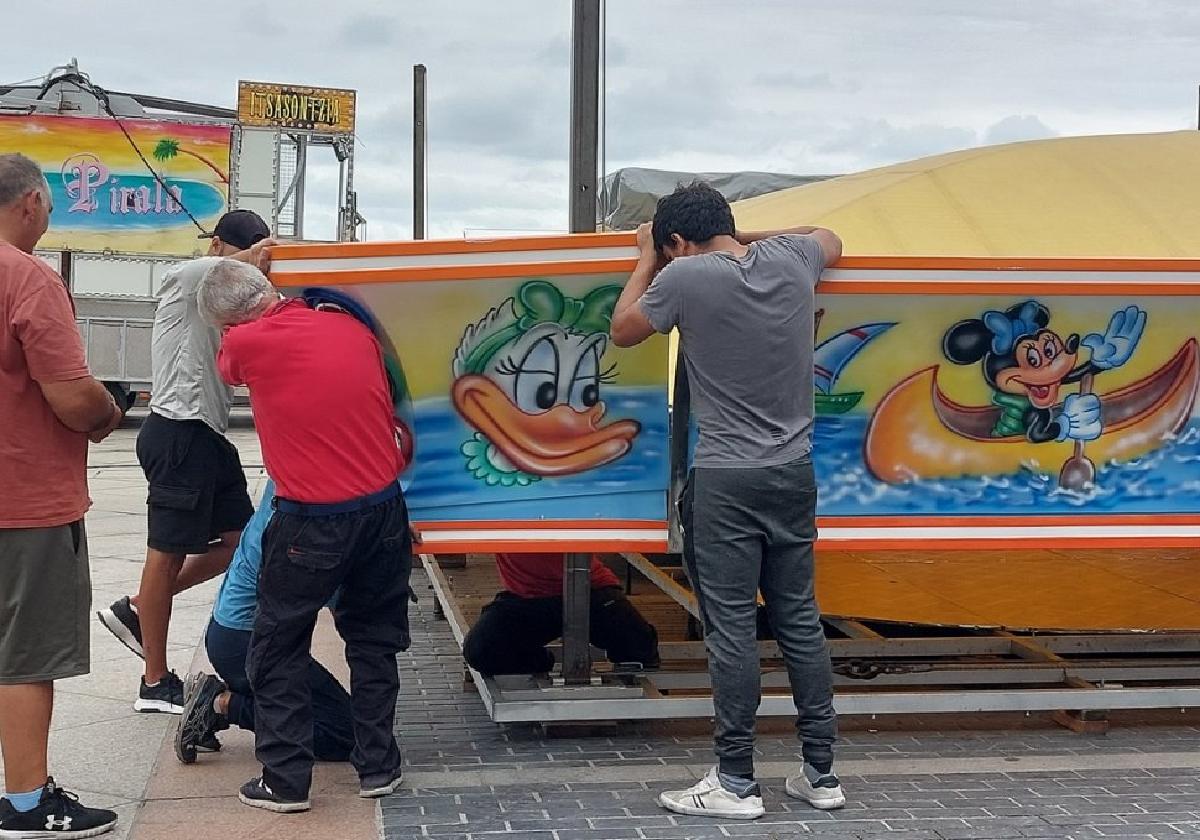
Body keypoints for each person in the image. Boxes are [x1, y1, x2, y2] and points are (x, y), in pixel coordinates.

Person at [610, 182, 845, 820]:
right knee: (799, 619)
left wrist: (644, 260)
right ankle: (821, 774)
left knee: (733, 628)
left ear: (678, 245)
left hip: (726, 482)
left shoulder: (686, 280)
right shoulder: (794, 261)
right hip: (794, 474)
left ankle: (736, 781)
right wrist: (745, 241)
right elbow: (830, 237)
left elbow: (624, 329)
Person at [197, 259, 412, 813]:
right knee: (373, 641)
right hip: (386, 511)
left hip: (311, 520)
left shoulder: (245, 343)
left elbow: (227, 367)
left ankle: (285, 782)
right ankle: (379, 768)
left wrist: (236, 316)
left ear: (229, 323)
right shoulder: (348, 326)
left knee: (277, 647)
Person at [96, 210, 274, 715]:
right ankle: (154, 682)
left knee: (244, 543)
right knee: (167, 552)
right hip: (177, 430)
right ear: (218, 246)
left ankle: (136, 607)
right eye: (249, 252)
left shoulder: (231, 297)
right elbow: (226, 272)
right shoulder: (190, 277)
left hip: (209, 436)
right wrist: (260, 257)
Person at [0, 153, 122, 837]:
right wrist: (111, 412)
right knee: (23, 655)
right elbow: (73, 399)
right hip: (23, 499)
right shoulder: (28, 279)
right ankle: (25, 802)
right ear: (31, 203)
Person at [174, 480, 356, 765]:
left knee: (338, 717)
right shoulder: (312, 511)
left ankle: (228, 700)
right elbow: (347, 612)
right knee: (345, 735)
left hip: (234, 636)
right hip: (247, 644)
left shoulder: (288, 484)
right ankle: (220, 704)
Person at [463, 553, 659, 676]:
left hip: (590, 589)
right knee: (481, 650)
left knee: (638, 648)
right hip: (526, 598)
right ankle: (540, 662)